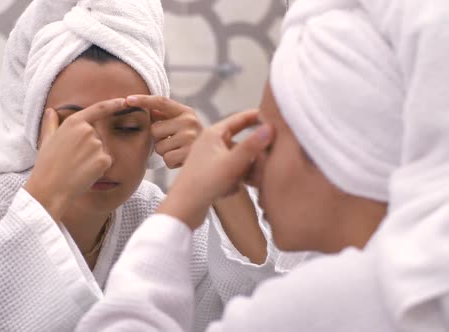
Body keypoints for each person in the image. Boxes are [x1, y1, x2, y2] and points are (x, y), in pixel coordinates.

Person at [0, 1, 303, 331]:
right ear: (36, 128)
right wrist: (45, 197)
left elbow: (257, 312)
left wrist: (222, 185)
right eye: (73, 127)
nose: (100, 152)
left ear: (154, 133)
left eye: (128, 127)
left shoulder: (153, 212)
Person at [76, 0, 449, 331]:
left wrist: (181, 205)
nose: (249, 169)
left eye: (267, 142)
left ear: (336, 152)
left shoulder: (321, 307)